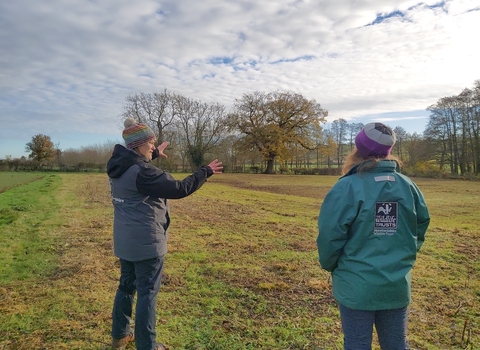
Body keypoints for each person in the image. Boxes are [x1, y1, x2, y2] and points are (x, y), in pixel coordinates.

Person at [107, 118, 223, 350]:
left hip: (124, 241)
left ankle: (120, 336)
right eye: (150, 143)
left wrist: (154, 155)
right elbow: (179, 189)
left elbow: (137, 169)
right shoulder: (143, 172)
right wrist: (205, 171)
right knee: (147, 293)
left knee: (126, 287)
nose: (153, 146)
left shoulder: (117, 166)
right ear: (138, 145)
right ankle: (147, 345)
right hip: (147, 243)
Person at [316, 122, 430, 350]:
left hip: (356, 285)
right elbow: (420, 228)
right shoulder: (408, 186)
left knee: (357, 343)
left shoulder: (346, 187)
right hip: (396, 284)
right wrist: (401, 257)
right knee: (396, 343)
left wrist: (332, 265)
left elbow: (330, 237)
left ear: (358, 149)